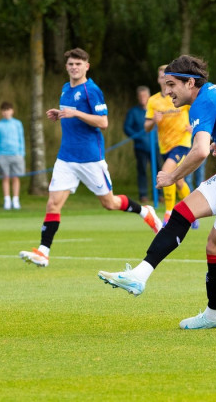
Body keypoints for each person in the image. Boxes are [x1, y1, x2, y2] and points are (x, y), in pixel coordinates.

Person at [98, 54, 216, 330]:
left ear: (190, 82)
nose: (167, 90)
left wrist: (172, 176)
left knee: (215, 247)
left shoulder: (202, 103)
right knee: (182, 213)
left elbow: (200, 152)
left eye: (171, 84)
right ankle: (139, 275)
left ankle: (212, 315)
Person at [19, 48, 162, 268]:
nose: (74, 67)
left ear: (87, 66)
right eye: (71, 64)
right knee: (52, 204)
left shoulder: (91, 90)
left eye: (78, 64)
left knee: (110, 203)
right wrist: (60, 114)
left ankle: (145, 211)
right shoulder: (66, 88)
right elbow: (72, 114)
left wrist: (76, 113)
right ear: (66, 67)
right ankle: (43, 252)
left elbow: (103, 122)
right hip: (66, 158)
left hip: (90, 159)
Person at [145, 65, 192, 225]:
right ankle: (192, 213)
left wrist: (194, 126)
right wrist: (153, 121)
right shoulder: (153, 101)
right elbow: (146, 127)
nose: (164, 80)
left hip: (182, 143)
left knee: (166, 172)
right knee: (178, 181)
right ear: (159, 80)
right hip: (165, 146)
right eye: (161, 77)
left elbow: (198, 109)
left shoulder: (182, 97)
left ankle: (169, 213)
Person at [123, 85, 154, 203]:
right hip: (140, 146)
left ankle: (160, 195)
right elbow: (127, 128)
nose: (143, 98)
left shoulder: (154, 110)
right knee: (142, 171)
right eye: (140, 96)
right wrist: (138, 137)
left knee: (159, 170)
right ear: (138, 97)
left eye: (145, 96)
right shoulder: (133, 112)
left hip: (155, 145)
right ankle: (143, 194)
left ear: (149, 97)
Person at [0, 101, 25, 210]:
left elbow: (21, 139)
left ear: (12, 111)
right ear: (2, 112)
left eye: (8, 110)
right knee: (5, 177)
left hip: (16, 154)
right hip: (3, 155)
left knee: (16, 177)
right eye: (4, 110)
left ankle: (15, 200)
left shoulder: (17, 123)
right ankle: (7, 200)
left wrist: (21, 153)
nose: (6, 112)